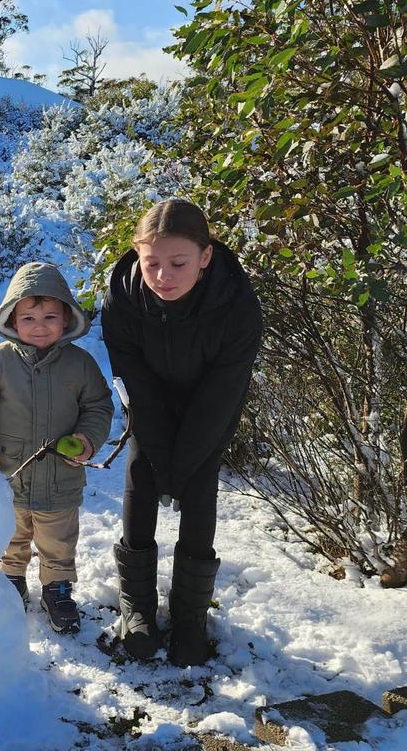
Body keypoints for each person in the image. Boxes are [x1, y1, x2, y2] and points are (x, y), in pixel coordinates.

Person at [101, 197, 262, 667]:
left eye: (178, 263)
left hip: (209, 405)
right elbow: (135, 378)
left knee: (198, 487)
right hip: (149, 402)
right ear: (137, 256)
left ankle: (190, 617)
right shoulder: (122, 299)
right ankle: (138, 607)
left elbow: (221, 392)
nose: (163, 276)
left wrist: (183, 461)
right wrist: (157, 451)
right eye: (151, 263)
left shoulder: (237, 307)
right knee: (141, 473)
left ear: (205, 256)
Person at [0, 262, 114, 634]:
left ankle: (56, 588)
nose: (39, 326)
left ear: (66, 318)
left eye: (49, 316)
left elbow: (98, 406)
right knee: (11, 535)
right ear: (12, 319)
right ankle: (10, 580)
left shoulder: (80, 364)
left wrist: (88, 440)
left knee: (58, 540)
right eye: (29, 317)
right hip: (10, 473)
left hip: (61, 474)